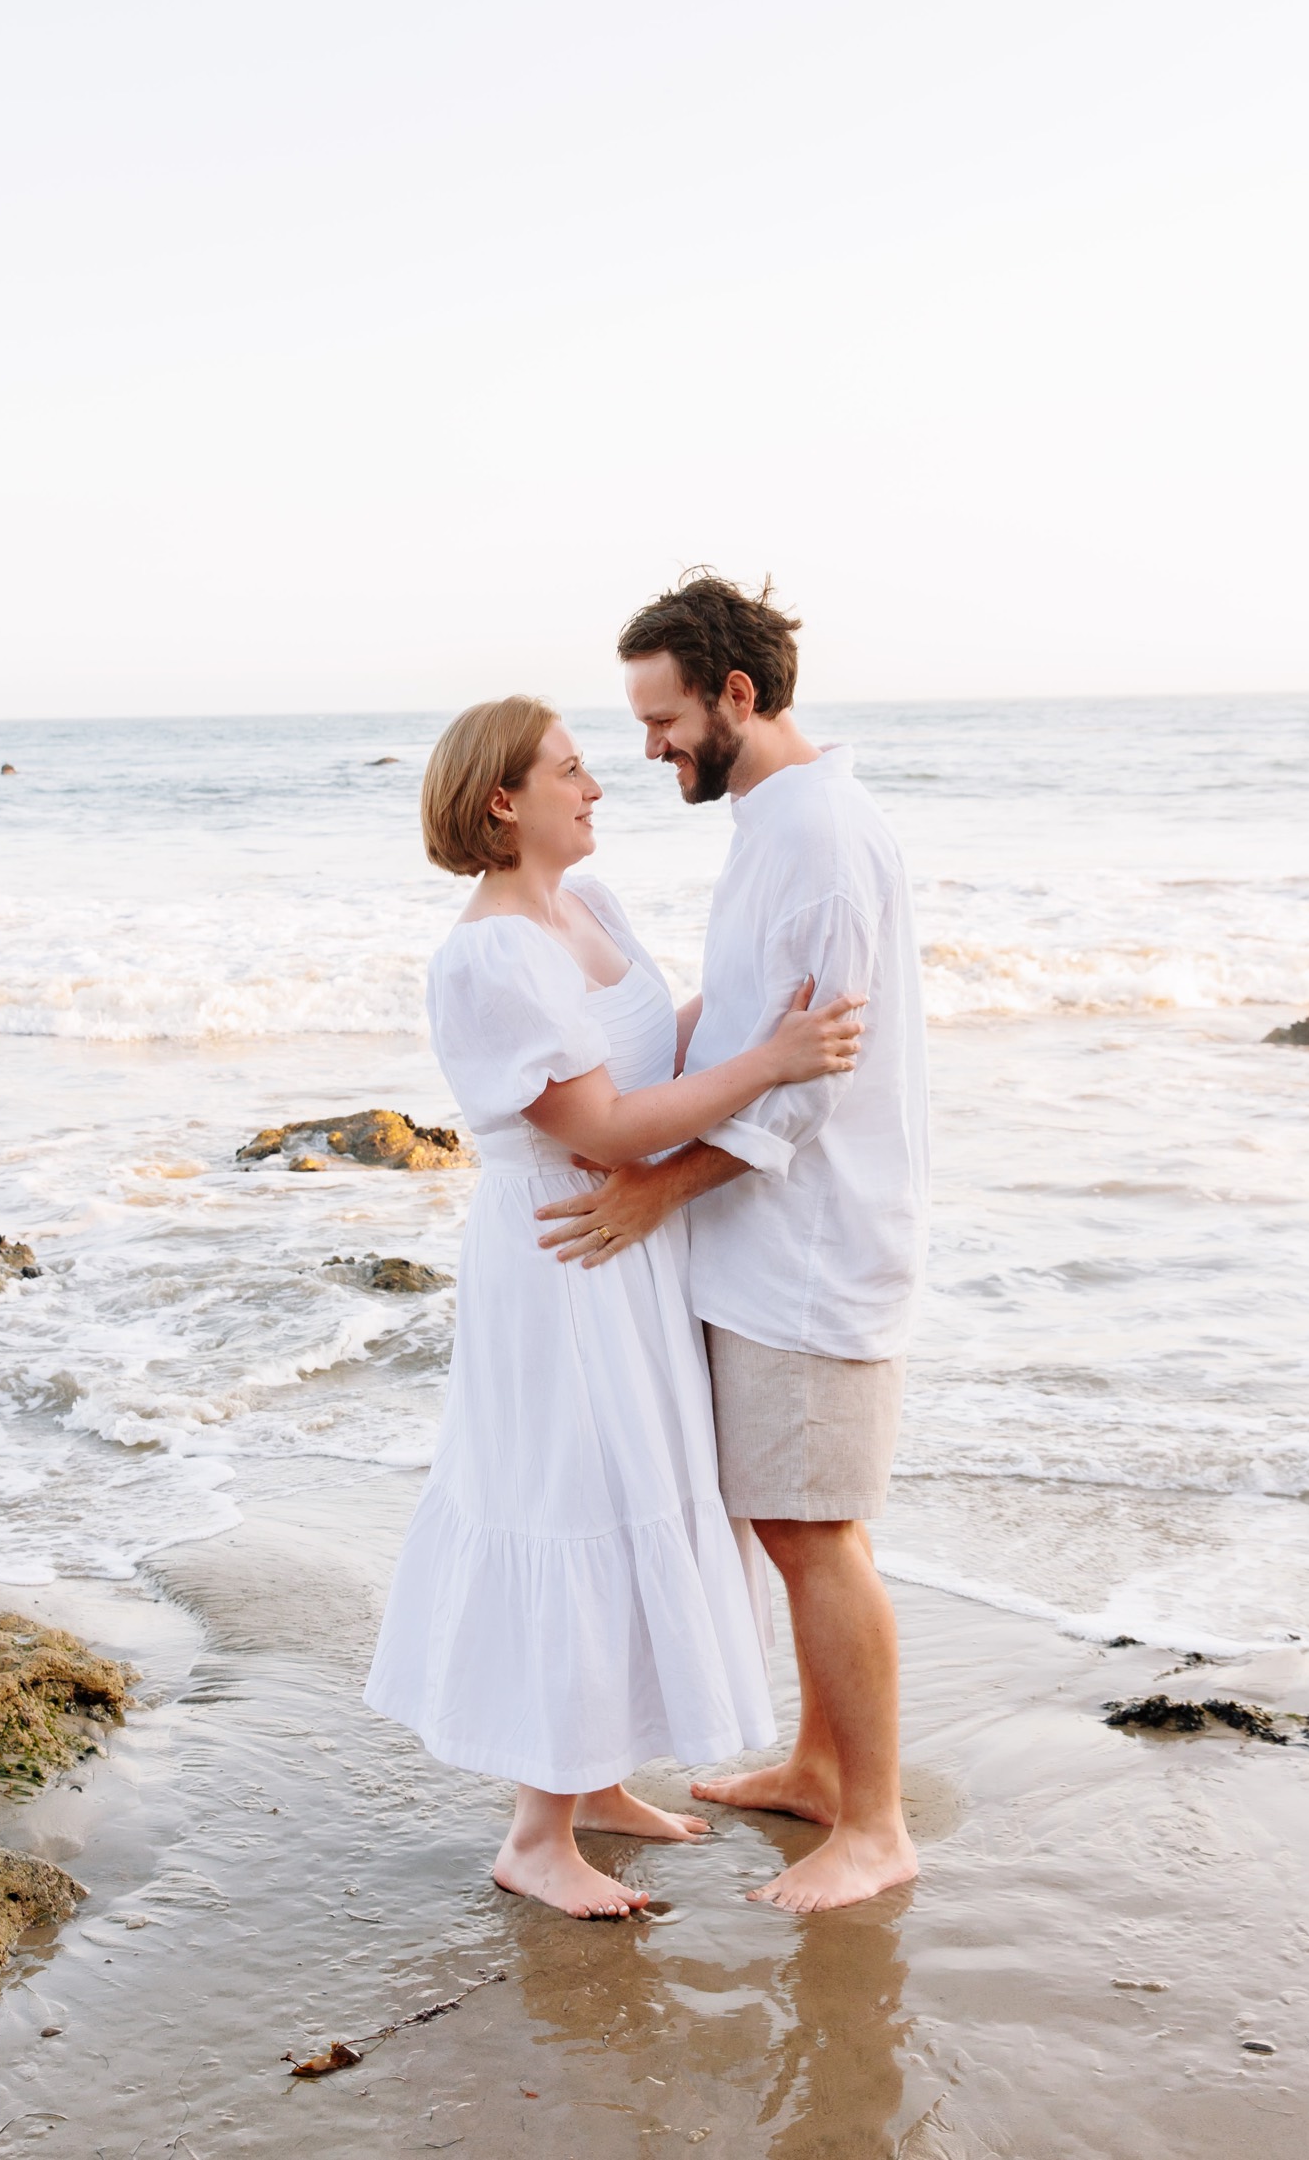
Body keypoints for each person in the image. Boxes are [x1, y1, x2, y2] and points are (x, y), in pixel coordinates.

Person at [363, 694, 866, 1920]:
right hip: (564, 1256)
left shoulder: (586, 906)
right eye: (572, 769)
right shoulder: (491, 953)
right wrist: (774, 1063)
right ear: (503, 800)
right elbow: (596, 1126)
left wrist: (757, 1012)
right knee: (573, 1503)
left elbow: (650, 1046)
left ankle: (592, 1785)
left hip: (633, 1247)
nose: (599, 785)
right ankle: (535, 1836)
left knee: (637, 1490)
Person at [536, 573, 930, 1912]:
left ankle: (873, 1824)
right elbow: (755, 1023)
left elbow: (811, 1081)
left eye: (661, 721)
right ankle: (821, 1765)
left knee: (816, 1532)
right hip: (772, 1248)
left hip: (816, 1248)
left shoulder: (817, 836)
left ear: (736, 696)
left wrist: (658, 1186)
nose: (649, 749)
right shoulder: (780, 822)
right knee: (787, 1518)